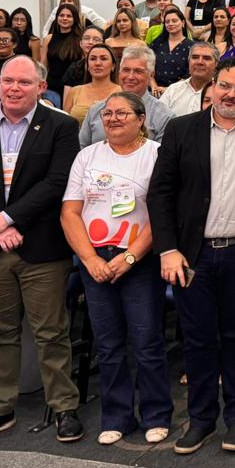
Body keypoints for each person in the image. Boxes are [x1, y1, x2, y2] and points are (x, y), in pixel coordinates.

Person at [149, 59, 235, 455]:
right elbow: (160, 193)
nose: (231, 94)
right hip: (192, 257)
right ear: (213, 86)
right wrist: (168, 249)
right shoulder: (182, 129)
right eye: (225, 85)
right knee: (198, 339)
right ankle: (202, 420)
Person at [0, 55, 83, 445]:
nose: (14, 88)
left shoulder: (61, 126)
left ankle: (63, 407)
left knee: (51, 332)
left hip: (40, 247)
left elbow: (57, 182)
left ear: (41, 87)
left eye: (24, 82)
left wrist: (8, 218)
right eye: (8, 80)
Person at [61, 90, 171, 446]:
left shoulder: (156, 155)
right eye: (107, 114)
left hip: (139, 260)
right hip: (95, 261)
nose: (113, 119)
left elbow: (161, 214)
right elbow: (70, 212)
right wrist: (90, 259)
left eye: (122, 113)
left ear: (141, 119)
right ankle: (117, 416)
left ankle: (156, 414)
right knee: (108, 345)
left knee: (147, 341)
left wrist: (131, 257)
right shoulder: (87, 156)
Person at [79, 46, 172, 147]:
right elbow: (81, 148)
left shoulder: (164, 116)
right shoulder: (96, 110)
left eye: (138, 71)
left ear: (151, 75)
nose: (130, 77)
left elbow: (162, 154)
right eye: (126, 70)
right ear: (119, 72)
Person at [61, 43, 120, 124]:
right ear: (87, 66)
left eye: (103, 59)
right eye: (93, 59)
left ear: (113, 66)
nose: (98, 63)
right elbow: (64, 124)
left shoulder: (122, 92)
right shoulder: (75, 91)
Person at [161, 42, 219, 118]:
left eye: (206, 58)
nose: (200, 62)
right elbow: (158, 119)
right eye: (195, 57)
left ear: (216, 64)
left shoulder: (220, 93)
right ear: (189, 62)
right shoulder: (173, 90)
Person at [41, 4, 85, 96]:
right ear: (57, 18)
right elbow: (43, 65)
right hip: (51, 87)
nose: (65, 18)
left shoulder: (81, 39)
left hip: (73, 87)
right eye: (61, 15)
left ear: (75, 19)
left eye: (69, 16)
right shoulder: (48, 39)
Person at [150, 7, 192, 94]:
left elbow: (190, 73)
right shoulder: (157, 43)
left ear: (183, 23)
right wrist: (154, 86)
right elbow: (147, 66)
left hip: (180, 92)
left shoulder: (191, 46)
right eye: (167, 22)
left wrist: (168, 89)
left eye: (174, 21)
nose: (170, 24)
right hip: (154, 91)